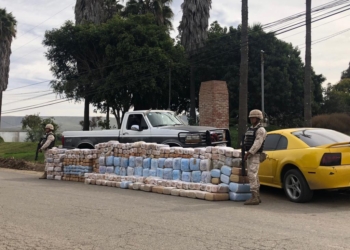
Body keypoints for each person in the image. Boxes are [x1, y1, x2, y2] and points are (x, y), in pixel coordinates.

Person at [243, 109, 267, 205]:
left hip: (255, 155)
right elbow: (246, 140)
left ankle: (254, 197)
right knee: (254, 175)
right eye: (251, 118)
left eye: (254, 118)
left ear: (258, 118)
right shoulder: (250, 129)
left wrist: (249, 153)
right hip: (250, 154)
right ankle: (256, 196)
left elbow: (257, 144)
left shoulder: (260, 130)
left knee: (252, 175)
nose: (252, 119)